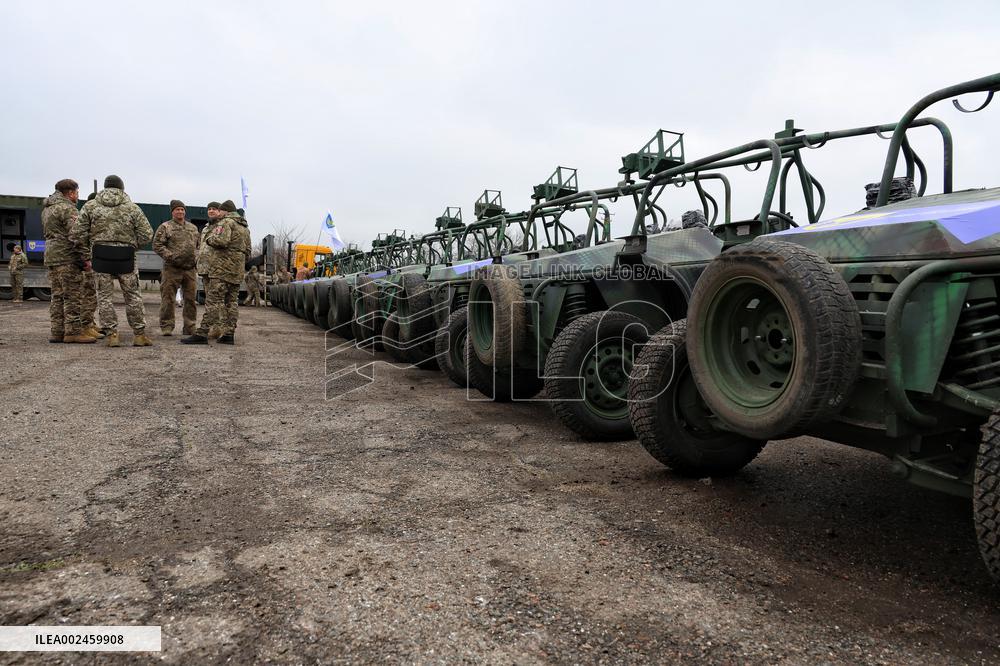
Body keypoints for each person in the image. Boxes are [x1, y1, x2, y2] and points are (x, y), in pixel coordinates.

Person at [71, 175, 154, 347]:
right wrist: (132, 245)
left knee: (104, 298)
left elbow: (76, 233)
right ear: (122, 188)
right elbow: (147, 234)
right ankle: (139, 335)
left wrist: (92, 247)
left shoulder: (90, 206)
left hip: (100, 256)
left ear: (104, 187)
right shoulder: (132, 208)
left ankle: (112, 335)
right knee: (133, 297)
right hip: (126, 256)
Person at [182, 200, 251, 345]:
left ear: (225, 211)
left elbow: (221, 241)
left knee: (213, 301)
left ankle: (202, 334)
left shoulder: (226, 223)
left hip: (221, 269)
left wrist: (209, 239)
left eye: (220, 210)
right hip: (237, 271)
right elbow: (248, 251)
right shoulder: (245, 227)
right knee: (231, 303)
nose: (218, 213)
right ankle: (228, 334)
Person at [41, 179, 95, 343]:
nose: (78, 196)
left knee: (57, 296)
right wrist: (85, 257)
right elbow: (76, 235)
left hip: (52, 257)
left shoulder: (47, 209)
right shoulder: (67, 208)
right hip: (67, 257)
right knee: (72, 296)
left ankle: (57, 331)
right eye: (77, 192)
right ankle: (73, 332)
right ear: (71, 192)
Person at [153, 200, 200, 335]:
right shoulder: (165, 227)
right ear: (172, 212)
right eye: (177, 210)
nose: (180, 212)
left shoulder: (193, 228)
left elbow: (198, 245)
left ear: (185, 211)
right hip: (171, 269)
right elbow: (157, 245)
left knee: (190, 299)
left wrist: (196, 258)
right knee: (168, 298)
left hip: (190, 269)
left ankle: (190, 326)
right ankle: (167, 326)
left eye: (182, 209)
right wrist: (170, 256)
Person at [197, 202, 223, 339]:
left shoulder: (222, 226)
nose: (211, 211)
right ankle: (215, 327)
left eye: (214, 209)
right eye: (209, 209)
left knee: (216, 301)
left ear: (220, 211)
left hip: (216, 268)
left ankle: (219, 328)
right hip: (205, 268)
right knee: (209, 300)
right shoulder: (206, 227)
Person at [78, 192, 103, 338]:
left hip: (91, 259)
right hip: (87, 261)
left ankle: (90, 323)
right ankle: (85, 326)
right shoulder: (86, 218)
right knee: (89, 294)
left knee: (91, 294)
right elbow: (81, 240)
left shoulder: (89, 217)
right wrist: (86, 258)